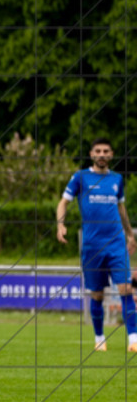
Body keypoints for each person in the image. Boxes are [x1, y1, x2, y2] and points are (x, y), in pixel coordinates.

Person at [57, 137, 137, 352]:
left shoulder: (117, 179)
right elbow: (63, 202)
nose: (102, 154)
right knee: (97, 294)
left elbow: (121, 209)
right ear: (92, 154)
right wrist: (60, 224)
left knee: (126, 289)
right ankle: (99, 338)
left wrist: (130, 235)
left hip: (116, 243)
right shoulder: (80, 177)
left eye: (106, 151)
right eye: (98, 151)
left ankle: (133, 340)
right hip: (92, 246)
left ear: (111, 155)